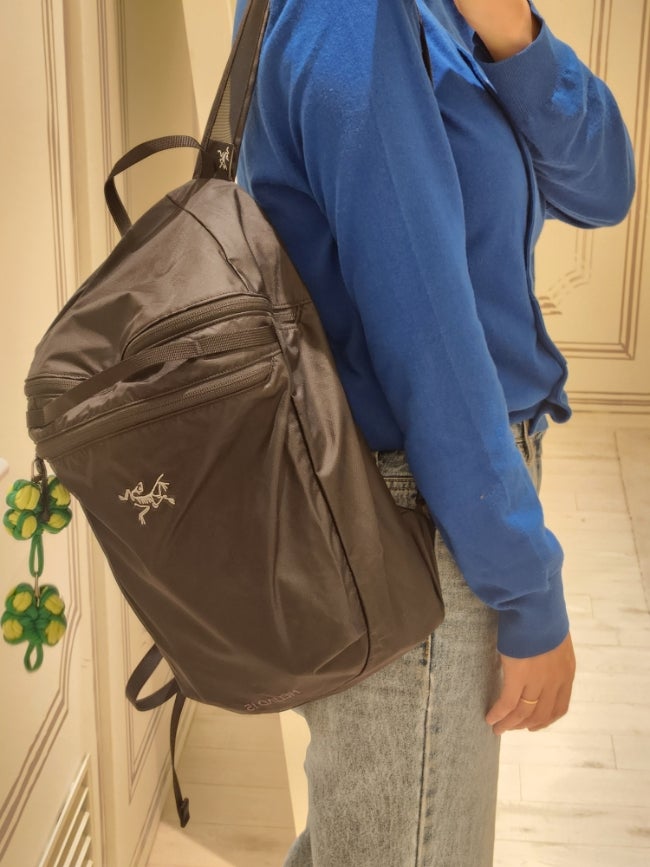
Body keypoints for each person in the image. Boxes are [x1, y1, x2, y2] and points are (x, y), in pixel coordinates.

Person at [232, 0, 635, 864]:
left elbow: (604, 188)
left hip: (436, 496)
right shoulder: (352, 15)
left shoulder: (448, 16)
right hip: (416, 514)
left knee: (364, 836)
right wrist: (526, 588)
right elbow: (426, 338)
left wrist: (514, 33)